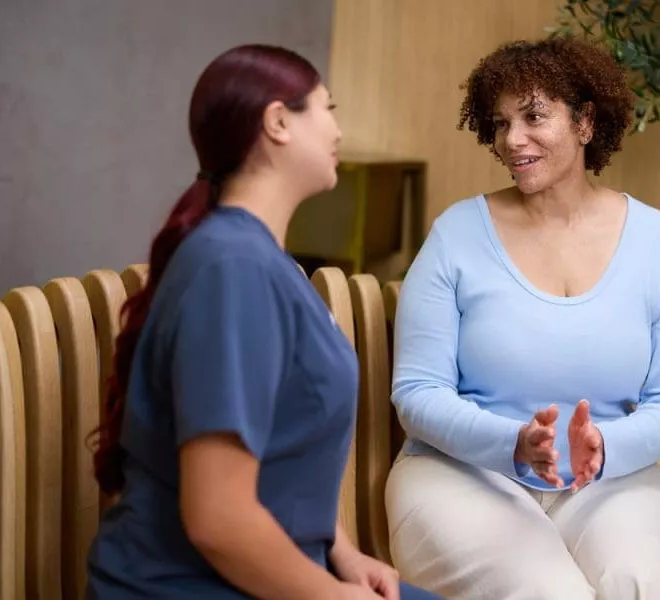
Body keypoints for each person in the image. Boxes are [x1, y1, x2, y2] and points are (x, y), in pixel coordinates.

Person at [86, 44, 440, 600]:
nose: (337, 131)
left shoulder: (263, 264)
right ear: (278, 122)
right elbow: (218, 520)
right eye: (328, 107)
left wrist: (339, 550)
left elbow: (283, 456)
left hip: (279, 570)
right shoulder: (233, 270)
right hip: (187, 586)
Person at [385, 35, 660, 600]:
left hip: (609, 480)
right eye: (502, 123)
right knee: (550, 592)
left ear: (584, 122)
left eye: (533, 116)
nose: (514, 140)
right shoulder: (455, 235)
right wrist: (513, 442)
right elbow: (416, 393)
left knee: (642, 585)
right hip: (461, 475)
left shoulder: (656, 241)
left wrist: (604, 446)